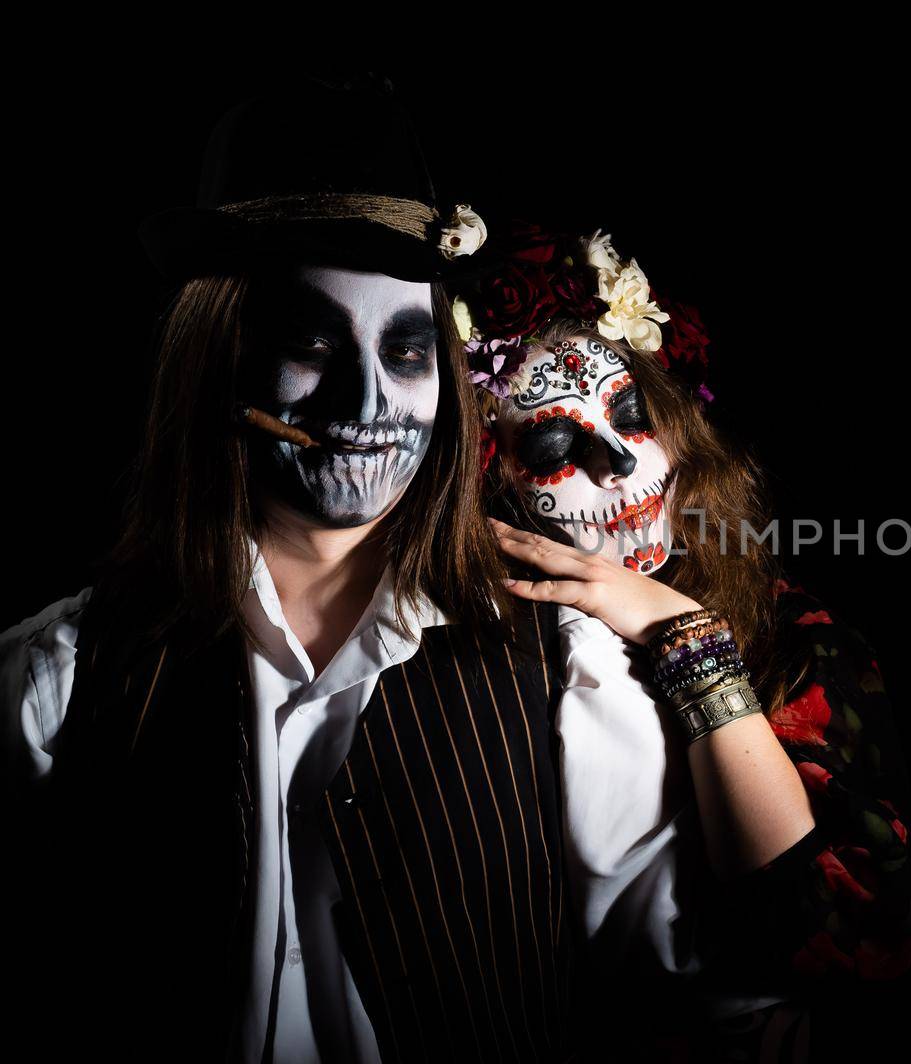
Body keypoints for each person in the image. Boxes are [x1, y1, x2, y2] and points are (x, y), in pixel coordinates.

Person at [0, 77, 578, 1062]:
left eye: (406, 348)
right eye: (309, 340)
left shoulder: (564, 662)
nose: (367, 395)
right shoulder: (56, 675)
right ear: (214, 362)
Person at [450, 224, 911, 1061]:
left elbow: (858, 935)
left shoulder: (796, 637)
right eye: (556, 445)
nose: (616, 465)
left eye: (635, 415)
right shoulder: (466, 658)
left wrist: (686, 636)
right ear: (493, 477)